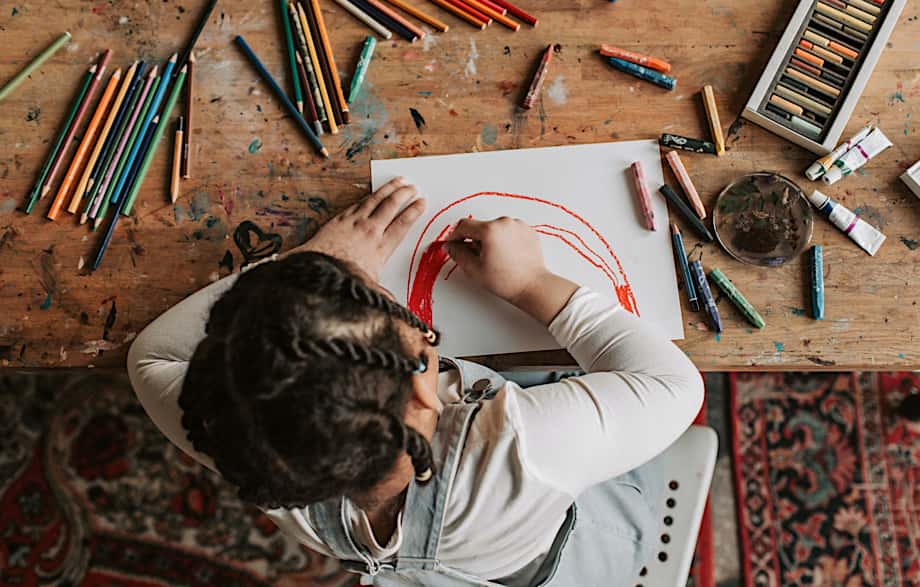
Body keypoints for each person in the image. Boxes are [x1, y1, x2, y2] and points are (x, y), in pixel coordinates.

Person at [128, 177, 704, 586]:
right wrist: (531, 283)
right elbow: (673, 386)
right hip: (578, 556)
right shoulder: (525, 447)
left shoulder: (246, 439)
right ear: (426, 387)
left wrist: (303, 268)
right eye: (388, 307)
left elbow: (150, 358)